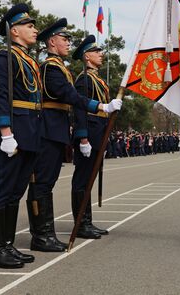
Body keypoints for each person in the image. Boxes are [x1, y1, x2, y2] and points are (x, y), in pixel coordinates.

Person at [28, 19, 121, 252]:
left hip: (58, 129)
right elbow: (74, 101)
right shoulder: (52, 68)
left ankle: (55, 231)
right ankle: (43, 235)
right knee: (45, 183)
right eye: (64, 39)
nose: (68, 42)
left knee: (53, 182)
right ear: (52, 42)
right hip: (50, 129)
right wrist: (84, 134)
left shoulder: (62, 69)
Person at [0, 3, 40, 269]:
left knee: (15, 191)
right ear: (14, 31)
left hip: (29, 132)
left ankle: (7, 244)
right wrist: (5, 132)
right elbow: (0, 97)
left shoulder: (27, 60)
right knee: (3, 189)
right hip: (13, 133)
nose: (35, 30)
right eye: (30, 26)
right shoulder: (4, 58)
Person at [71, 35, 121, 239]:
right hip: (89, 134)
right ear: (87, 57)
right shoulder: (84, 79)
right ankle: (81, 224)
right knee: (82, 180)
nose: (101, 54)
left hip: (98, 132)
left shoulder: (97, 79)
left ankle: (87, 221)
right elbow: (80, 109)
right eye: (96, 52)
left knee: (89, 181)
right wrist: (83, 138)